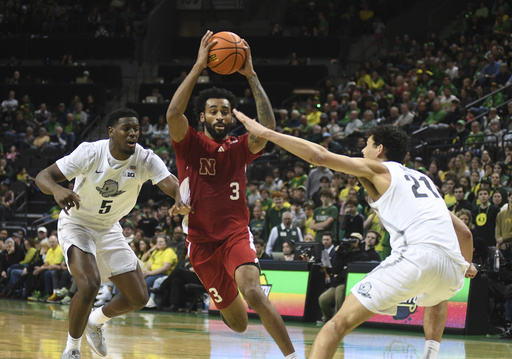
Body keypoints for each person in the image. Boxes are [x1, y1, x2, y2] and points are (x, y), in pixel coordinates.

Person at [234, 114, 477, 359]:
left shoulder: (379, 168)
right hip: (451, 267)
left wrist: (266, 134)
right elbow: (465, 233)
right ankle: (430, 354)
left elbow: (319, 156)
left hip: (416, 257)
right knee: (438, 296)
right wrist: (467, 265)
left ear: (379, 149)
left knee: (337, 324)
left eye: (367, 145)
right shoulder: (424, 180)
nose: (362, 150)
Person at [166, 31, 297, 358]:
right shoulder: (190, 144)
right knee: (237, 323)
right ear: (202, 117)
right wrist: (198, 67)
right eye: (213, 111)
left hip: (235, 235)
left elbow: (268, 127)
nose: (221, 116)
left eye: (226, 111)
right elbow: (172, 115)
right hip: (200, 244)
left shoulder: (240, 147)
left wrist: (251, 74)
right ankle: (230, 290)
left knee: (253, 290)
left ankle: (293, 356)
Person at [35, 108, 191, 359]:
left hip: (109, 227)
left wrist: (180, 198)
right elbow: (43, 176)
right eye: (126, 128)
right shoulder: (90, 152)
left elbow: (171, 183)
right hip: (77, 223)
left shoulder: (145, 158)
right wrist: (56, 190)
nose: (133, 133)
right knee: (90, 283)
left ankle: (95, 321)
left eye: (136, 128)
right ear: (111, 131)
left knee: (139, 297)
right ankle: (72, 349)